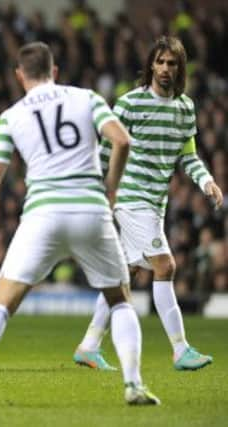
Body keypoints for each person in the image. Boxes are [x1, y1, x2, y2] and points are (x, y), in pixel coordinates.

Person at [0, 42, 160, 406]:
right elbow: (122, 141)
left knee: (1, 304)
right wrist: (109, 193)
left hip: (42, 216)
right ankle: (134, 385)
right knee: (119, 300)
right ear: (55, 71)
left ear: (20, 75)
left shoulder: (11, 116)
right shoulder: (88, 98)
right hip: (90, 212)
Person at [73, 36, 223, 372]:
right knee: (165, 266)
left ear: (180, 68)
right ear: (151, 65)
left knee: (125, 273)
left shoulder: (185, 108)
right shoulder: (129, 104)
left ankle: (88, 345)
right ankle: (180, 349)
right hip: (130, 196)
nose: (166, 69)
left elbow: (189, 157)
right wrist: (99, 191)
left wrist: (207, 181)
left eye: (172, 63)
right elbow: (107, 151)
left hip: (156, 201)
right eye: (161, 62)